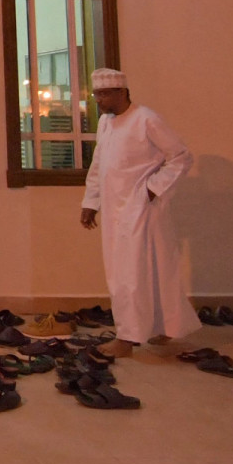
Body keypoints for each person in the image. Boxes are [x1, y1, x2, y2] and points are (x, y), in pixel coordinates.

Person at [78, 68, 197, 353]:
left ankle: (128, 337)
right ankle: (165, 327)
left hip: (143, 209)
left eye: (104, 94)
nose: (99, 100)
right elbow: (99, 166)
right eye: (96, 94)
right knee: (132, 272)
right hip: (114, 210)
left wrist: (153, 188)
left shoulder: (147, 119)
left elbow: (181, 156)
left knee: (134, 273)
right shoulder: (106, 124)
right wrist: (90, 202)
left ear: (122, 93)